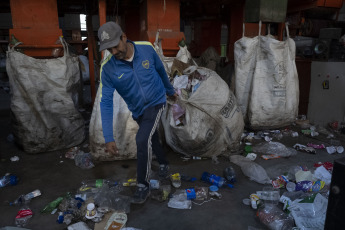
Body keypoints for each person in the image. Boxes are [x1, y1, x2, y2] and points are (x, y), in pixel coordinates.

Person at [97, 21, 177, 204]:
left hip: (156, 101)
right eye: (109, 50)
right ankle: (164, 164)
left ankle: (143, 185)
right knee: (152, 137)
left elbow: (160, 70)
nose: (114, 53)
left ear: (124, 37)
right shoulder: (108, 69)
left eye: (116, 46)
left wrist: (170, 90)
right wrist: (108, 138)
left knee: (142, 139)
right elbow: (106, 102)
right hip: (138, 110)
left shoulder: (147, 50)